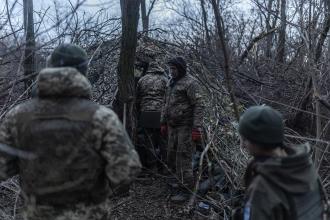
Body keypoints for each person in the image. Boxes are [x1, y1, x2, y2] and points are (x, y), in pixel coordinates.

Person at [0, 43, 141, 220]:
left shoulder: (17, 116)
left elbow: (3, 167)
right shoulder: (101, 117)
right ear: (83, 71)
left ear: (50, 67)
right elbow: (126, 170)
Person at [233, 105, 328, 220]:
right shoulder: (304, 164)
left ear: (257, 142)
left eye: (245, 139)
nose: (242, 145)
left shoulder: (262, 187)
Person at [160, 56, 204, 202]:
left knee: (183, 158)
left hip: (185, 126)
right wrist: (163, 122)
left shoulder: (191, 83)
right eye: (170, 69)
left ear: (181, 69)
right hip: (172, 126)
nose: (171, 71)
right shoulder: (170, 82)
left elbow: (199, 105)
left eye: (174, 69)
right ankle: (177, 182)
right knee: (171, 155)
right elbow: (165, 103)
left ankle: (186, 191)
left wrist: (197, 128)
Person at [136, 61, 168, 173]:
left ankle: (152, 167)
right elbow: (169, 96)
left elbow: (137, 97)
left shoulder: (142, 79)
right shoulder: (164, 80)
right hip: (161, 113)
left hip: (146, 112)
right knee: (163, 140)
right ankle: (165, 167)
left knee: (149, 141)